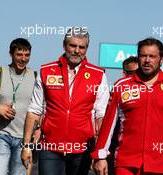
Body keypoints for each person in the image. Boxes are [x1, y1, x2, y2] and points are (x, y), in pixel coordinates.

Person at [92, 37, 163, 175]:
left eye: (152, 56)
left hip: (160, 165)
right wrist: (100, 156)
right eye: (143, 56)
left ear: (161, 59)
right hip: (126, 164)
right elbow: (108, 125)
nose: (147, 60)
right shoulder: (122, 86)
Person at [21, 27, 110, 175]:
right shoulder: (46, 71)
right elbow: (34, 110)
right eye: (72, 45)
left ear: (87, 48)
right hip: (50, 148)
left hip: (82, 149)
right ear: (64, 45)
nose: (77, 51)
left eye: (82, 47)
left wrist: (100, 153)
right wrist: (26, 146)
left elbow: (101, 116)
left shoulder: (98, 75)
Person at [0, 38, 36, 175]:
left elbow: (41, 107)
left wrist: (38, 129)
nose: (23, 59)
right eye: (19, 55)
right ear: (11, 54)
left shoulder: (35, 76)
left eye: (27, 55)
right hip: (0, 135)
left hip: (24, 139)